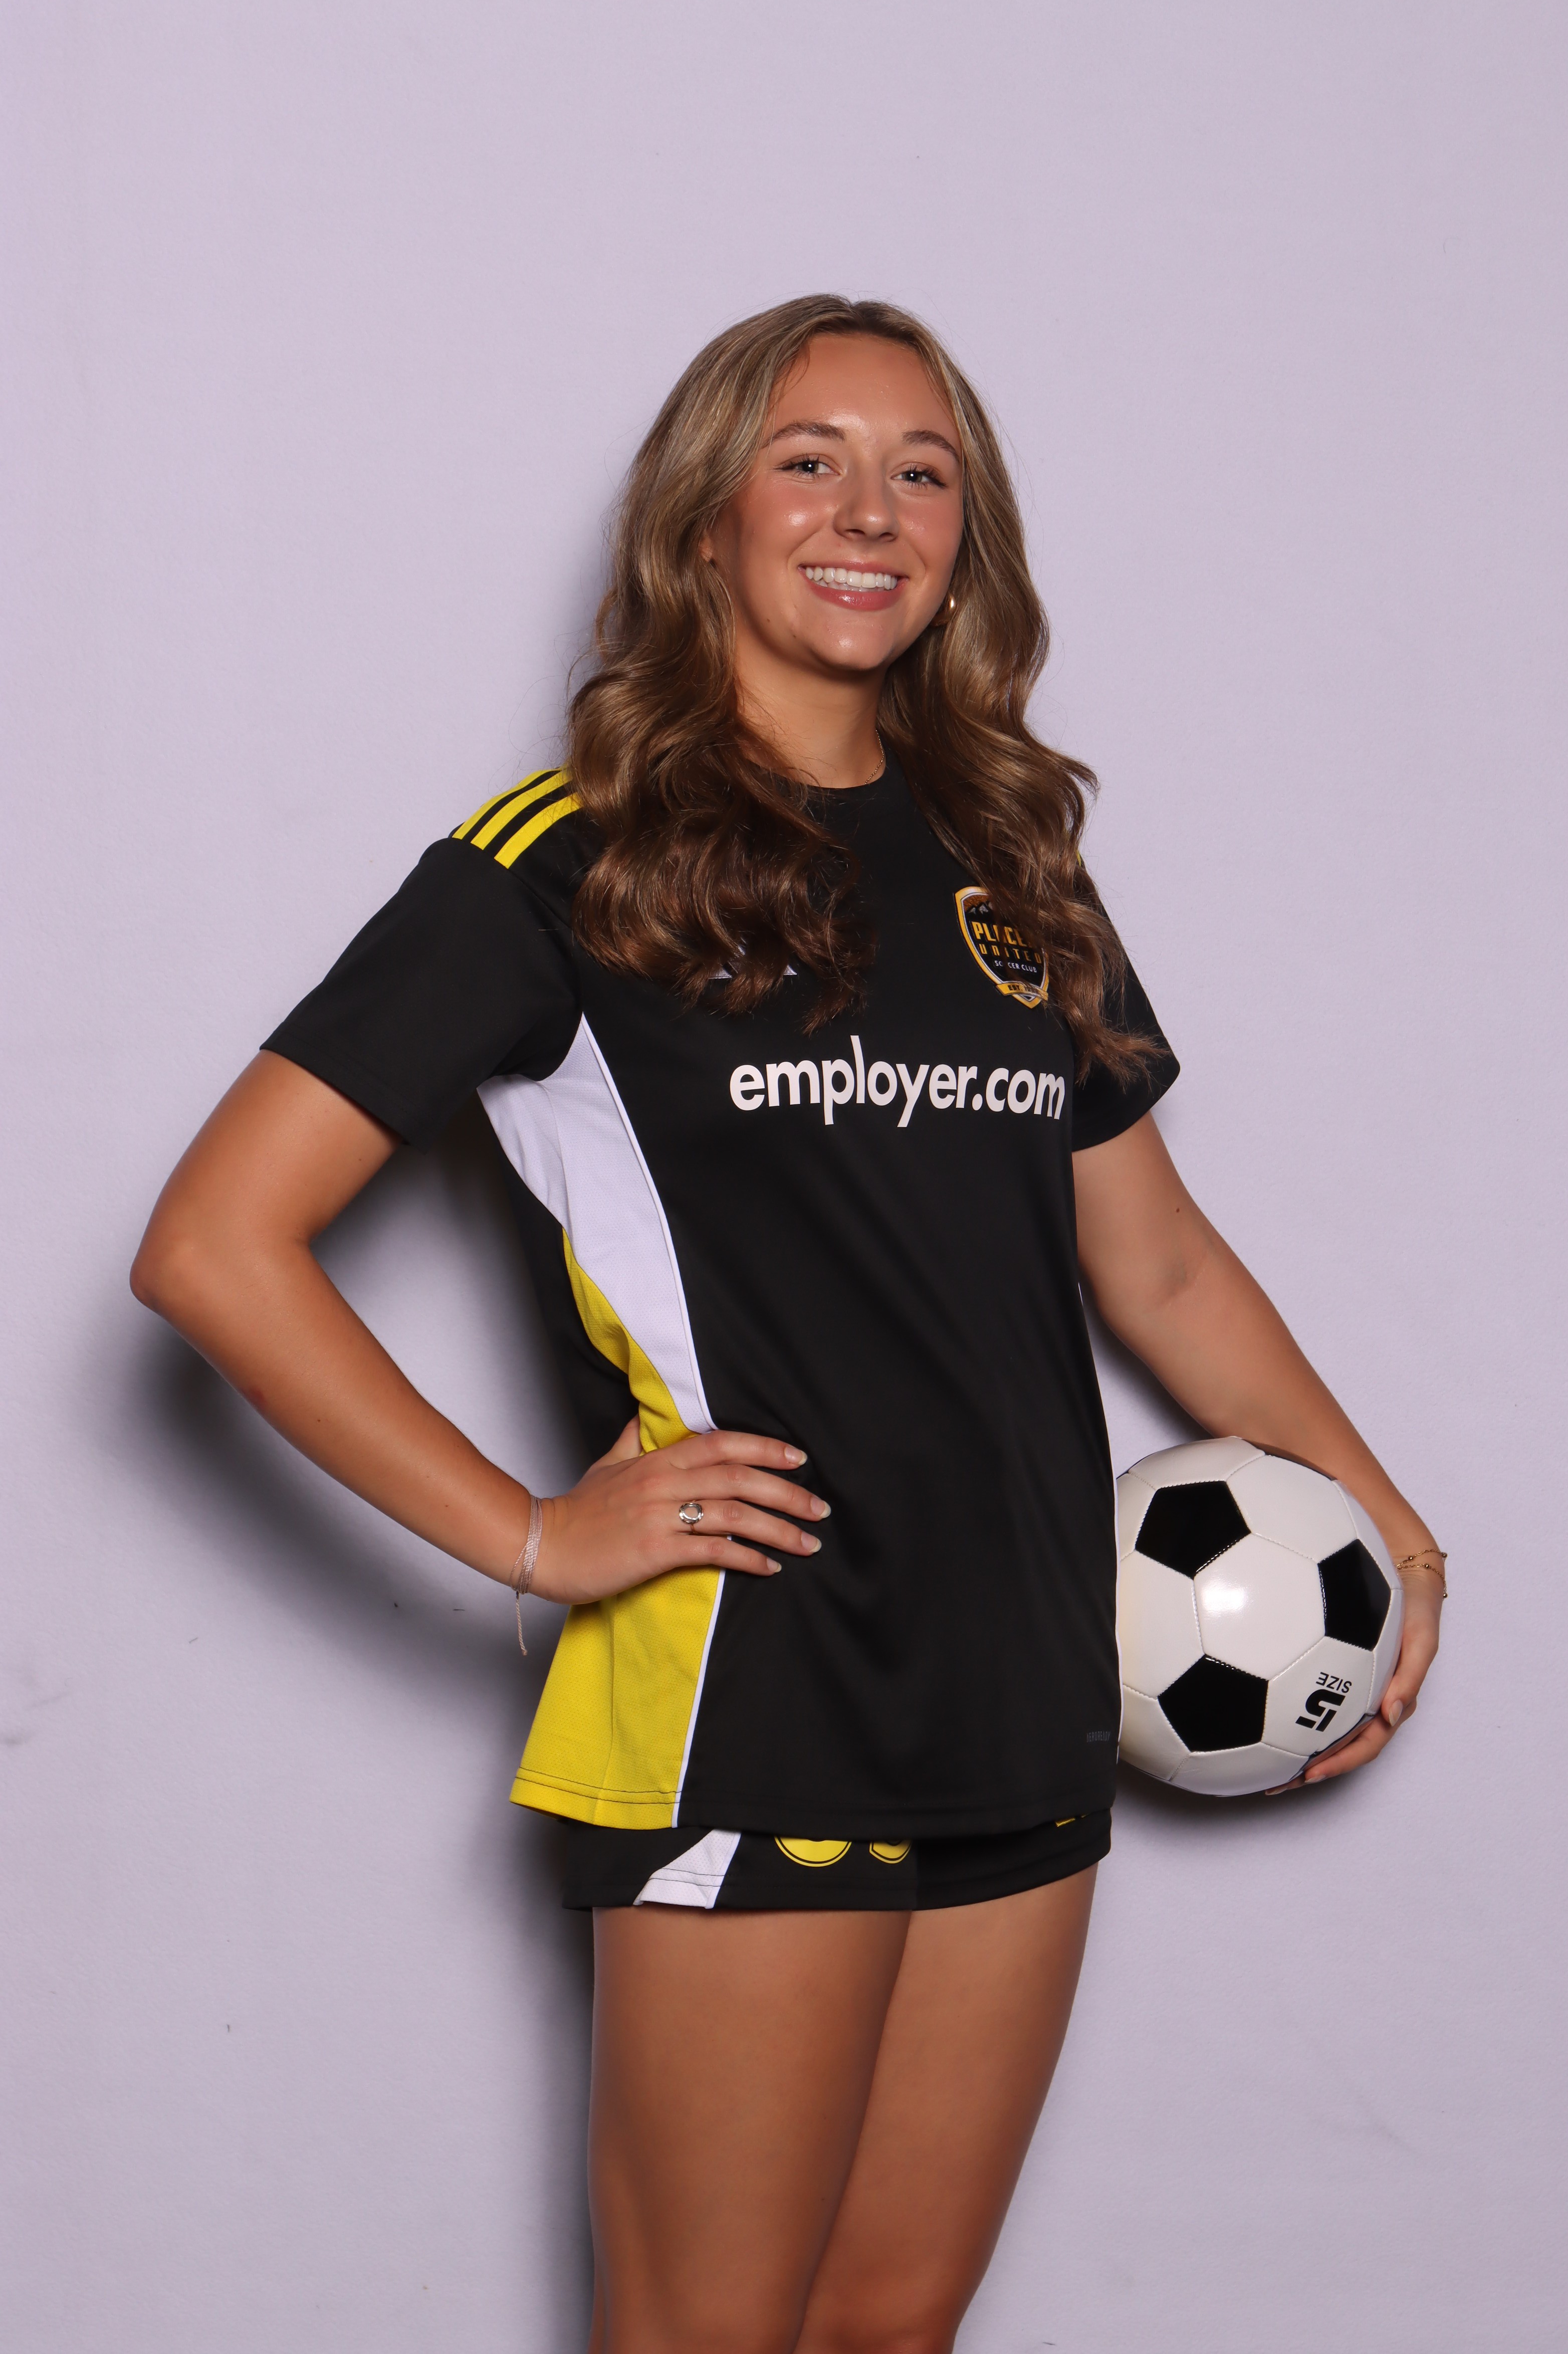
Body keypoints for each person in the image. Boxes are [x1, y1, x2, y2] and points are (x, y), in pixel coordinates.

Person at [131, 296, 1445, 2354]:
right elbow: (215, 1245)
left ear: (967, 541)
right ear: (705, 519)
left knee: (889, 2329)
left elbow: (1160, 1268)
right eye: (807, 460)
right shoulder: (570, 861)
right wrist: (531, 1533)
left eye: (922, 472)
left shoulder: (1015, 869)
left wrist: (1390, 1528)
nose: (868, 511)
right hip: (757, 1685)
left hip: (1034, 1669)